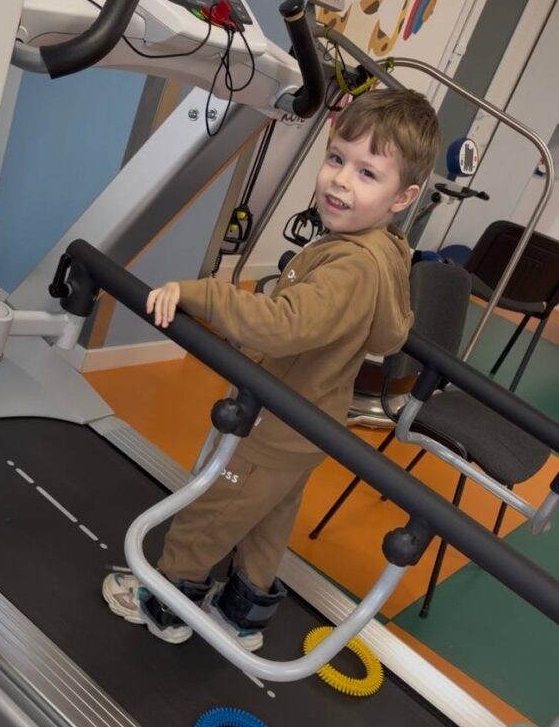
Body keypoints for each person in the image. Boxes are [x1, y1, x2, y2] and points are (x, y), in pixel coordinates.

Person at [103, 87, 440, 649]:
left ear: (402, 197)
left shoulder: (351, 267)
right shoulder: (382, 252)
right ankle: (242, 616)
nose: (340, 181)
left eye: (367, 174)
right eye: (336, 159)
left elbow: (283, 325)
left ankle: (165, 602)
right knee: (267, 520)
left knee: (214, 510)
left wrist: (202, 294)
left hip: (273, 424)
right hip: (309, 424)